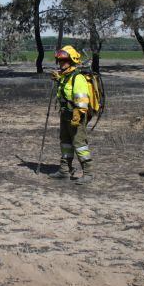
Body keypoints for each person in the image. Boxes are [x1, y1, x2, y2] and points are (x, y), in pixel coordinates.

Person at [48, 46, 94, 184]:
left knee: (79, 144)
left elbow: (82, 99)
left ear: (72, 60)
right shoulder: (64, 77)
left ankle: (88, 173)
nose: (61, 63)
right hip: (65, 114)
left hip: (76, 116)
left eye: (64, 61)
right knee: (65, 143)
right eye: (60, 61)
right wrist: (58, 80)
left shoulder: (77, 77)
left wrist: (78, 113)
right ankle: (64, 170)